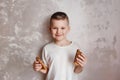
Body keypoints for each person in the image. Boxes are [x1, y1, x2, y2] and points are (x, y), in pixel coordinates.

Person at [33, 11, 87, 80]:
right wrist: (39, 68)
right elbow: (46, 70)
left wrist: (81, 66)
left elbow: (76, 70)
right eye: (55, 28)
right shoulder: (47, 48)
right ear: (50, 30)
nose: (58, 31)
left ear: (68, 29)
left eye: (62, 28)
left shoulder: (75, 48)